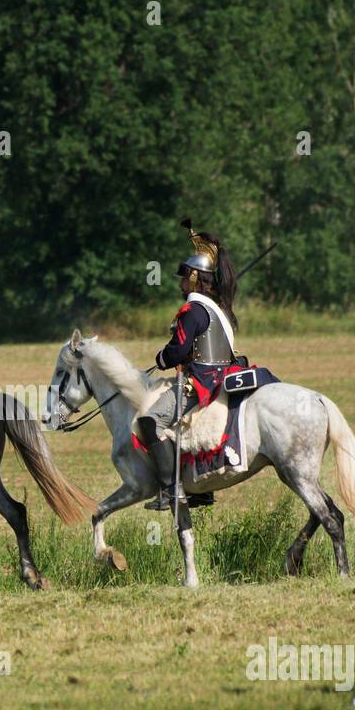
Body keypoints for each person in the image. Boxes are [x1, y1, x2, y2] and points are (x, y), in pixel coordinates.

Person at [138, 219, 239, 511]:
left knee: (149, 422)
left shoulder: (193, 310)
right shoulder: (218, 309)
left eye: (184, 277)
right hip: (224, 375)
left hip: (200, 381)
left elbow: (178, 350)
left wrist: (162, 357)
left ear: (195, 278)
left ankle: (172, 491)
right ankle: (199, 489)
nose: (181, 282)